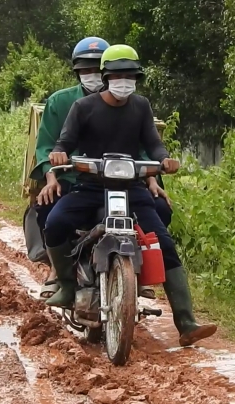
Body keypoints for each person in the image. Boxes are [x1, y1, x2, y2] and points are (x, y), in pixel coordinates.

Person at [42, 44, 217, 347]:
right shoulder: (83, 108)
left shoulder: (141, 106)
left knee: (163, 241)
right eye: (118, 75)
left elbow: (153, 142)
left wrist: (165, 159)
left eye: (131, 75)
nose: (125, 81)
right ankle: (67, 285)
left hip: (131, 189)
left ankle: (186, 321)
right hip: (91, 187)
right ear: (106, 76)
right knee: (56, 222)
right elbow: (64, 142)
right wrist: (59, 155)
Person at [28, 37, 172, 300]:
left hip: (123, 178)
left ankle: (140, 270)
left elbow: (144, 146)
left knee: (160, 209)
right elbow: (50, 145)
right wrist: (52, 176)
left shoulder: (136, 105)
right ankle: (59, 273)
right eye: (86, 70)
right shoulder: (67, 103)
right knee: (50, 211)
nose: (93, 75)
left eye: (98, 69)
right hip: (74, 178)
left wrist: (152, 179)